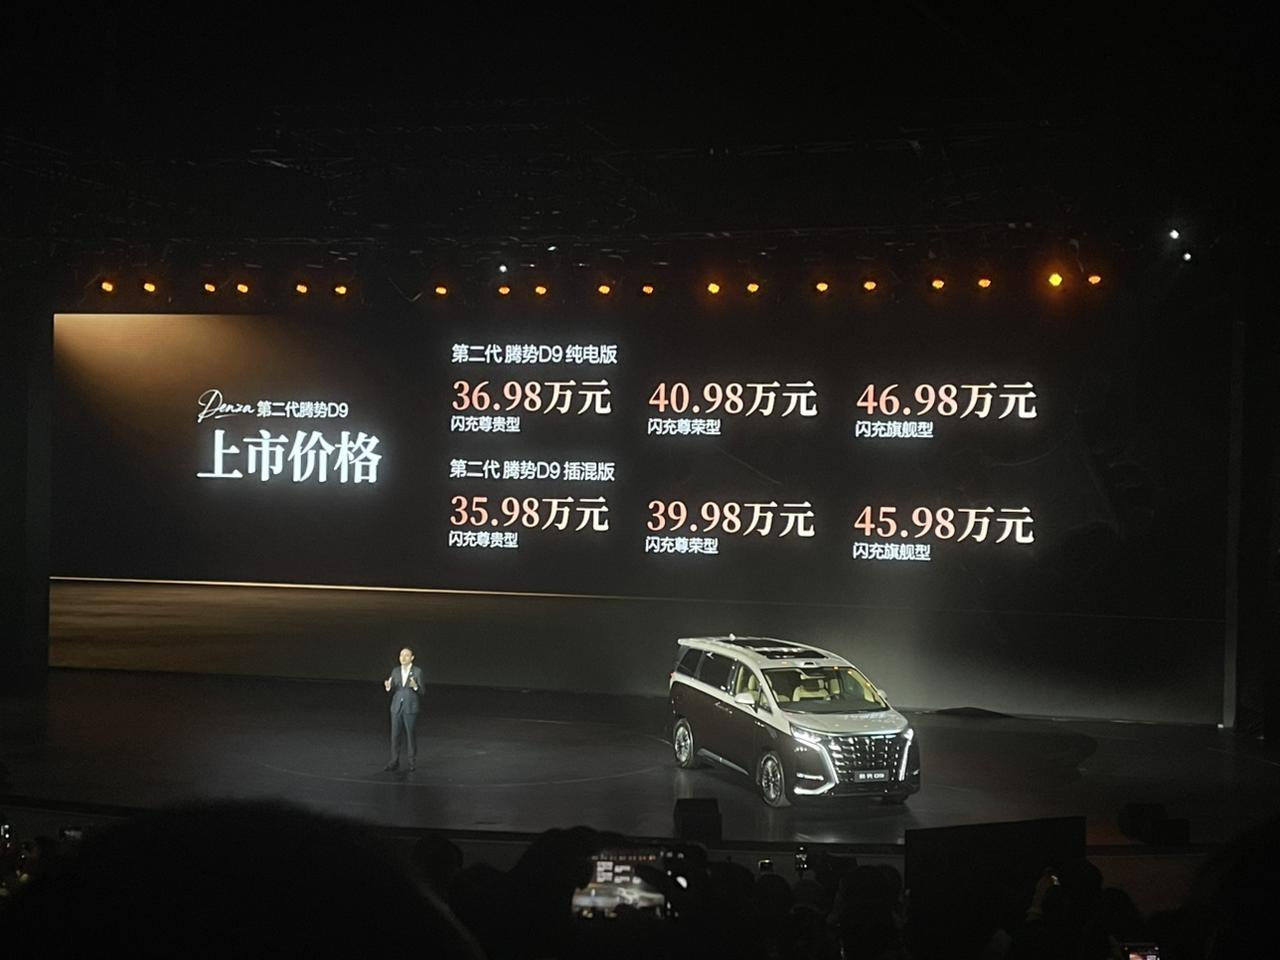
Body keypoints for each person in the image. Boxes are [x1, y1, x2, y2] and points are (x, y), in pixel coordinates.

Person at [384, 647, 423, 771]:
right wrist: (389, 687)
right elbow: (394, 687)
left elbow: (422, 690)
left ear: (412, 658)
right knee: (395, 735)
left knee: (410, 735)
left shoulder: (417, 671)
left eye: (406, 655)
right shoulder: (395, 671)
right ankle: (394, 761)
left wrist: (415, 687)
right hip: (396, 707)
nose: (403, 658)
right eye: (401, 655)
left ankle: (411, 762)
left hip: (410, 707)